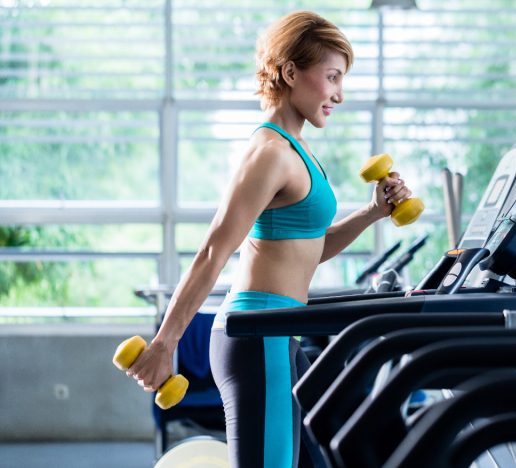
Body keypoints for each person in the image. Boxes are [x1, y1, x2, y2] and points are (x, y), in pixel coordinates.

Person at [126, 10, 413, 468]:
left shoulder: (297, 149)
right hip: (257, 335)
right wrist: (165, 344)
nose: (339, 93)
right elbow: (213, 251)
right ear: (290, 71)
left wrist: (373, 212)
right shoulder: (270, 153)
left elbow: (309, 251)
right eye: (332, 76)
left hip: (279, 335)